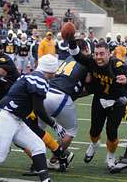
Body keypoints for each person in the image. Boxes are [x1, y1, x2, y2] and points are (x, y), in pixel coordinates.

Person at [0, 54, 66, 182]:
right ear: (51, 69)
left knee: (38, 146)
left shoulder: (31, 76)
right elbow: (38, 108)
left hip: (15, 118)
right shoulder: (39, 79)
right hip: (5, 118)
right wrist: (54, 124)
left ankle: (45, 179)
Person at [68, 38, 127, 170]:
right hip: (99, 100)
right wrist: (71, 41)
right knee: (94, 131)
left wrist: (126, 81)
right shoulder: (92, 62)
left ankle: (110, 156)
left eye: (102, 54)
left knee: (112, 132)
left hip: (117, 102)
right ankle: (94, 145)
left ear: (109, 54)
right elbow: (76, 55)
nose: (98, 57)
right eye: (96, 53)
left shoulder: (118, 65)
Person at [37, 39, 91, 170]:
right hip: (60, 97)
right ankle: (56, 158)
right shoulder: (86, 59)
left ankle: (37, 161)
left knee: (38, 130)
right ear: (85, 49)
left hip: (45, 93)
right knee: (70, 131)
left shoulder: (68, 58)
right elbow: (89, 81)